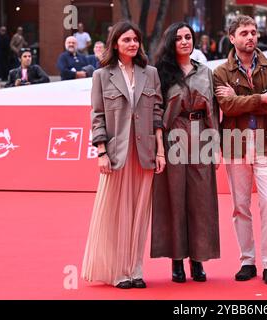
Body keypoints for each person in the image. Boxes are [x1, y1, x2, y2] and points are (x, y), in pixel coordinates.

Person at [81, 21, 166, 289]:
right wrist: (101, 152)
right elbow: (97, 117)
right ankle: (117, 271)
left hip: (145, 152)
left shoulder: (150, 73)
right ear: (115, 43)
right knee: (116, 213)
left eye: (135, 40)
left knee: (139, 214)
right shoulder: (102, 75)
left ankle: (135, 270)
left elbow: (157, 115)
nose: (132, 44)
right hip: (116, 153)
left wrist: (161, 151)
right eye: (126, 39)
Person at [214, 15, 267, 286]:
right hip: (234, 142)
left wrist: (240, 99)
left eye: (253, 32)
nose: (250, 37)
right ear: (232, 38)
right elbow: (227, 107)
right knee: (240, 206)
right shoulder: (220, 72)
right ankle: (247, 260)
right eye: (244, 33)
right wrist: (259, 98)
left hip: (266, 140)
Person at [150, 22, 220, 283]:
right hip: (173, 137)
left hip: (201, 134)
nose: (184, 42)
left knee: (201, 201)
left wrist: (217, 146)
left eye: (188, 37)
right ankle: (176, 261)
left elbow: (213, 108)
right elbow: (156, 111)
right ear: (171, 42)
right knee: (174, 199)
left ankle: (198, 261)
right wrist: (158, 146)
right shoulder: (160, 73)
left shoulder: (205, 72)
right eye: (178, 38)